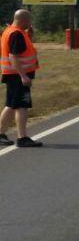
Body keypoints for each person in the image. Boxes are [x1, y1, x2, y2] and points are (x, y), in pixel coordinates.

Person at [1, 9, 43, 148]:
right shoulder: (17, 34)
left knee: (11, 105)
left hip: (12, 75)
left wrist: (29, 36)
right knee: (21, 106)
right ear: (23, 20)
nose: (30, 23)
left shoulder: (10, 31)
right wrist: (23, 76)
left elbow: (20, 50)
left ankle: (1, 134)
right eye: (29, 20)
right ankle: (22, 138)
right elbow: (13, 56)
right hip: (18, 76)